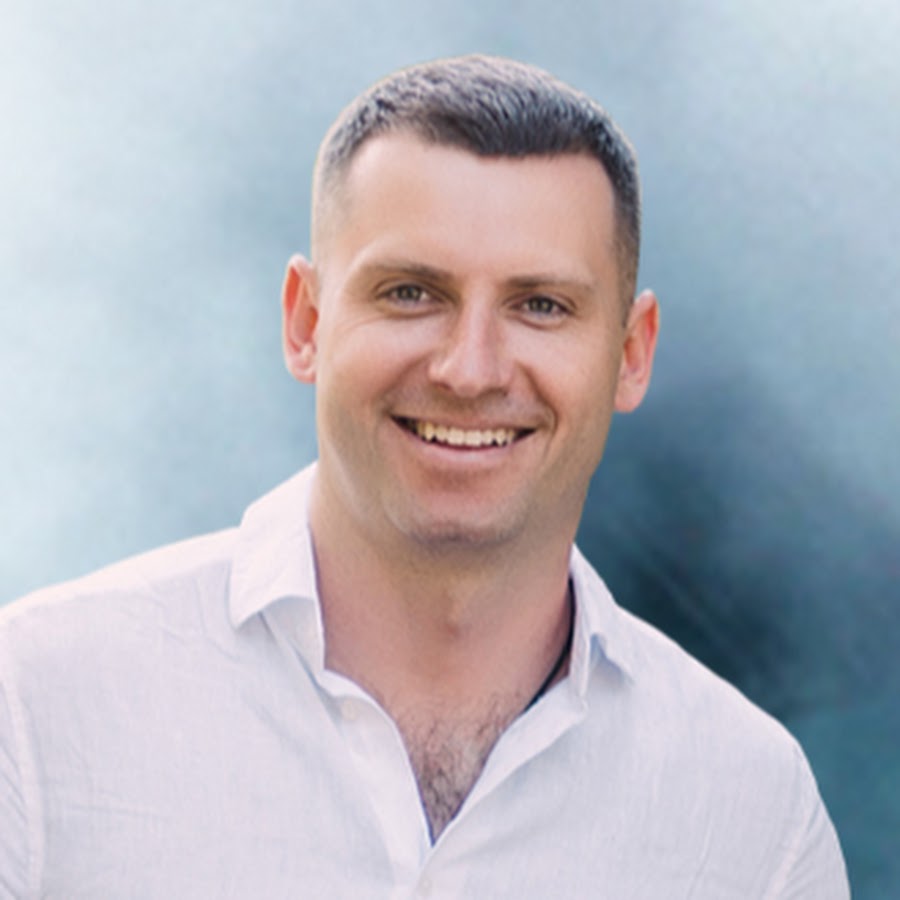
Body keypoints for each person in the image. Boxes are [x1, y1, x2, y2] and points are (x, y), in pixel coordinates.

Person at [0, 55, 848, 897]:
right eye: (411, 293)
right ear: (306, 322)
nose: (470, 370)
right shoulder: (34, 712)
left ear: (631, 354)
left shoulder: (752, 819)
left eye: (541, 305)